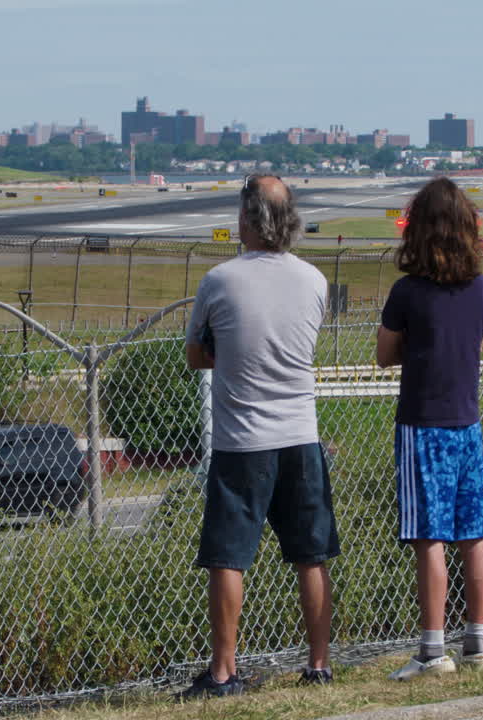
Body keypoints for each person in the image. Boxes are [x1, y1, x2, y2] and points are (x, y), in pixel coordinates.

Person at [177, 174, 340, 700]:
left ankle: (224, 671)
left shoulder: (219, 281)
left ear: (247, 219)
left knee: (227, 557)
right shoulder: (315, 281)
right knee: (310, 554)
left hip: (242, 440)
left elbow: (198, 354)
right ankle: (319, 665)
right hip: (300, 433)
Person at [375, 176, 483, 681]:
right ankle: (478, 644)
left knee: (429, 537)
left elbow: (384, 355)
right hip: (467, 422)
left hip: (423, 425)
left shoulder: (407, 292)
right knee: (474, 535)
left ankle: (431, 651)